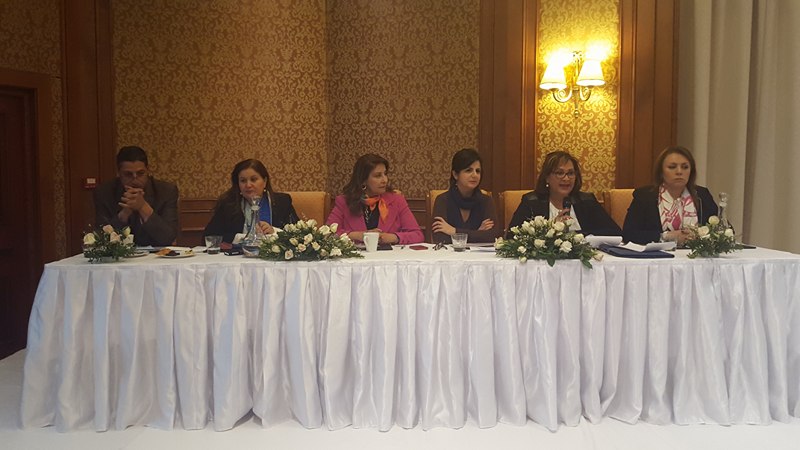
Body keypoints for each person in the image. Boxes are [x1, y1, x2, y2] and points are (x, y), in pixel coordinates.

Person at [507, 150, 621, 237]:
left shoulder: (587, 201)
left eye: (570, 173)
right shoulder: (532, 202)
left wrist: (577, 235)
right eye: (559, 173)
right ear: (547, 177)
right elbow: (512, 236)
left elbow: (615, 233)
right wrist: (552, 228)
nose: (566, 179)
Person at [623, 145, 718, 245]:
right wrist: (666, 236)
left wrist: (699, 235)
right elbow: (629, 234)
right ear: (661, 172)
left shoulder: (702, 195)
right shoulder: (644, 196)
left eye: (685, 167)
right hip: (658, 253)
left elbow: (721, 230)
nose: (679, 172)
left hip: (694, 253)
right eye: (672, 167)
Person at [326, 153, 424, 245]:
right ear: (363, 180)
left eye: (385, 174)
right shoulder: (344, 202)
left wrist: (393, 237)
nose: (385, 180)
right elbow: (328, 234)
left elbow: (417, 235)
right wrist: (360, 236)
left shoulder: (397, 200)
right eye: (378, 176)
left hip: (389, 256)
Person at [94, 146, 179, 246]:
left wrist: (143, 206)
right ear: (119, 173)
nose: (135, 179)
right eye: (128, 174)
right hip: (119, 253)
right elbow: (102, 240)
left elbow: (168, 238)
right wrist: (124, 213)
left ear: (148, 170)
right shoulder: (104, 193)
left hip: (156, 252)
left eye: (140, 173)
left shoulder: (166, 191)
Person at [204, 159, 298, 244]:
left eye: (253, 179)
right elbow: (209, 237)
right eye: (243, 181)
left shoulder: (282, 202)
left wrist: (274, 232)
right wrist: (242, 238)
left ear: (264, 181)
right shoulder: (228, 205)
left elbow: (299, 235)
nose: (248, 185)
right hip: (239, 256)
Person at [431, 148, 501, 244]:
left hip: (478, 254)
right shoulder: (442, 200)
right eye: (468, 170)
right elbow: (440, 238)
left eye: (478, 171)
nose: (475, 175)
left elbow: (493, 236)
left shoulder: (486, 201)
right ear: (455, 174)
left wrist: (454, 231)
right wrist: (477, 233)